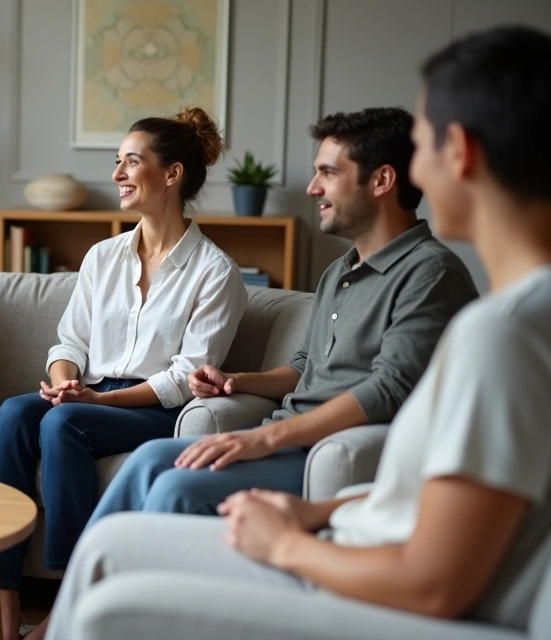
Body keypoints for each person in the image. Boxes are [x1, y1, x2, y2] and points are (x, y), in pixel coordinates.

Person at [44, 24, 551, 639]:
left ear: (461, 152)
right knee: (128, 503)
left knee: (120, 568)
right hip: (343, 519)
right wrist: (241, 389)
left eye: (423, 142)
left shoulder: (492, 329)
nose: (311, 187)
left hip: (353, 547)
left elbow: (434, 574)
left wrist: (286, 535)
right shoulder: (454, 308)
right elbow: (404, 485)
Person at [86, 106, 477, 523]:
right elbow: (305, 367)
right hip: (286, 435)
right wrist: (235, 381)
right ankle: (84, 586)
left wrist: (266, 439)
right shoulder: (340, 272)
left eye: (328, 173)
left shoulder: (430, 273)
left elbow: (389, 390)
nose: (312, 188)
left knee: (176, 486)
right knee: (147, 460)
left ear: (381, 180)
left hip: (326, 449)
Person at [0, 107, 248, 640]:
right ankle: (3, 605)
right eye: (118, 161)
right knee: (15, 413)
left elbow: (184, 377)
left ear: (171, 175)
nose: (117, 174)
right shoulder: (103, 257)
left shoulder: (216, 272)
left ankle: (67, 607)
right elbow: (70, 342)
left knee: (63, 424)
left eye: (132, 162)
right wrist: (63, 381)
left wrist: (95, 404)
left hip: (153, 409)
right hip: (89, 394)